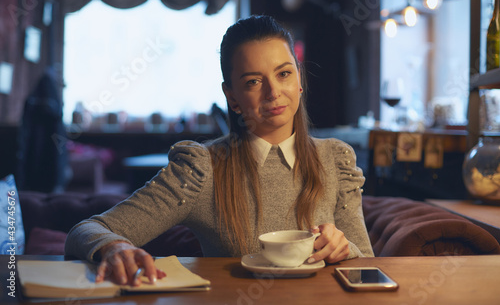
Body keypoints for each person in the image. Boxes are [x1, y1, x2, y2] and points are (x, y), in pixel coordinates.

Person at [65, 15, 374, 286]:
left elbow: (368, 268)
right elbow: (88, 229)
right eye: (253, 81)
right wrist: (115, 248)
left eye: (284, 74)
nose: (273, 92)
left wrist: (344, 248)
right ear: (233, 97)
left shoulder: (335, 159)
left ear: (299, 79)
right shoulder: (201, 169)